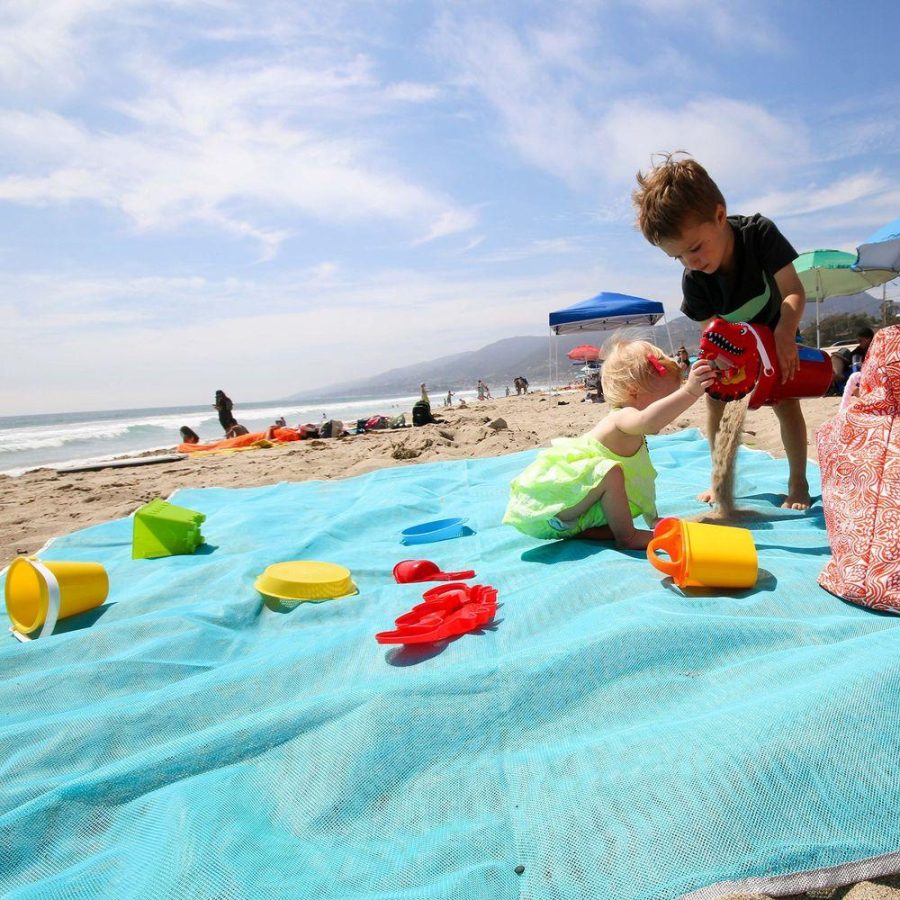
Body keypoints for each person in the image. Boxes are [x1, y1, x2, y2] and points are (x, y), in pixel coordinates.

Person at [633, 152, 810, 509]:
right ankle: (720, 481)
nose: (692, 262)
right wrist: (725, 370)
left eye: (695, 248)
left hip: (780, 333)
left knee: (786, 403)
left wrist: (785, 333)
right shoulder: (695, 281)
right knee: (714, 404)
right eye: (679, 257)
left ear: (719, 214)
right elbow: (714, 337)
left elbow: (793, 290)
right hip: (733, 345)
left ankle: (798, 482)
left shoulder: (759, 235)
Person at [502, 339, 715, 550]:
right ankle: (627, 537)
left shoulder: (633, 428)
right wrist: (689, 392)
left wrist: (654, 520)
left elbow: (642, 478)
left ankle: (593, 532)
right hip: (556, 507)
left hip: (579, 513)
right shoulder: (622, 417)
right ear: (633, 392)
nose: (671, 408)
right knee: (610, 472)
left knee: (618, 474)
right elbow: (650, 421)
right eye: (667, 399)